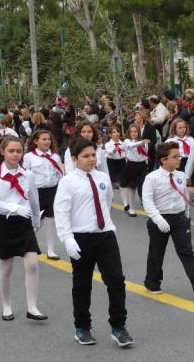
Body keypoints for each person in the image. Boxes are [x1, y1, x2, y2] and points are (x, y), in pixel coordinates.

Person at [53, 138, 133, 347]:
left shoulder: (102, 177)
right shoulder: (67, 182)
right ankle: (82, 327)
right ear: (74, 159)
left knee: (116, 280)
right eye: (85, 156)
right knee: (82, 284)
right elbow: (61, 212)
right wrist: (68, 239)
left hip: (105, 235)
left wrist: (103, 224)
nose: (91, 159)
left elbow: (106, 202)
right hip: (80, 238)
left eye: (93, 155)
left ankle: (119, 326)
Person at [0, 136, 46, 321]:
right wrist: (16, 208)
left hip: (25, 223)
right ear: (2, 151)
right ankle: (6, 305)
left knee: (32, 264)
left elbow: (34, 200)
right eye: (11, 151)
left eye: (19, 151)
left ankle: (32, 307)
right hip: (5, 222)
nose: (15, 154)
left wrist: (36, 221)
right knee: (6, 266)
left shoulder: (28, 175)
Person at [142, 142, 194, 298]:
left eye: (179, 156)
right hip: (159, 218)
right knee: (156, 252)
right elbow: (147, 201)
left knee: (186, 250)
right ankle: (152, 282)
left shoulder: (181, 176)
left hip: (179, 218)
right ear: (163, 160)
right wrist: (157, 218)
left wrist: (186, 216)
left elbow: (184, 197)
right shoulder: (152, 178)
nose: (179, 159)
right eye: (175, 157)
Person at [24, 130, 63, 260]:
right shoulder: (29, 156)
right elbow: (24, 176)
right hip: (36, 192)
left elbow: (59, 175)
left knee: (51, 221)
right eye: (44, 139)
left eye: (49, 139)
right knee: (36, 221)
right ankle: (26, 241)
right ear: (36, 141)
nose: (47, 142)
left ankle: (51, 250)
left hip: (52, 191)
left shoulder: (55, 156)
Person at [120, 124, 151, 217]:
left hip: (142, 165)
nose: (133, 133)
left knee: (145, 187)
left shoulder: (142, 142)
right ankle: (131, 209)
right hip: (132, 165)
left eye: (135, 131)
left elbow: (145, 154)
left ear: (138, 132)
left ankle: (149, 209)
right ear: (128, 133)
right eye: (131, 131)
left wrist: (146, 164)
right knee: (131, 188)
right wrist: (141, 142)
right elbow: (130, 146)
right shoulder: (127, 141)